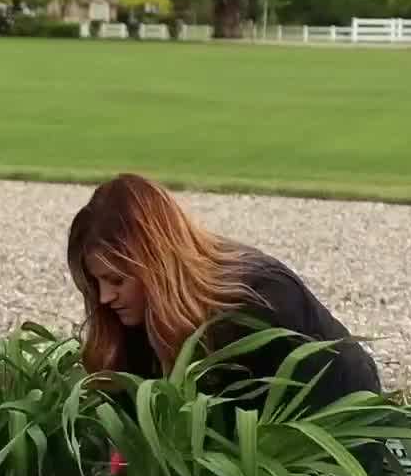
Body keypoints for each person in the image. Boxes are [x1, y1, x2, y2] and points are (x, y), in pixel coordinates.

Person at [65, 173, 384, 424]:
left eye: (116, 280)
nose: (105, 297)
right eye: (97, 283)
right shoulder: (134, 318)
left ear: (156, 266)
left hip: (340, 438)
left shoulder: (260, 303)